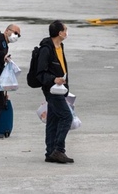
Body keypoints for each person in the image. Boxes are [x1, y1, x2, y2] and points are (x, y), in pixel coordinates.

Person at [36, 20, 74, 164]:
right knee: (66, 117)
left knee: (53, 120)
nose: (67, 32)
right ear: (60, 33)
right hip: (52, 90)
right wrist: (54, 79)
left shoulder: (59, 46)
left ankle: (50, 152)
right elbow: (40, 74)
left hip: (60, 90)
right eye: (65, 29)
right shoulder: (46, 49)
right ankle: (59, 150)